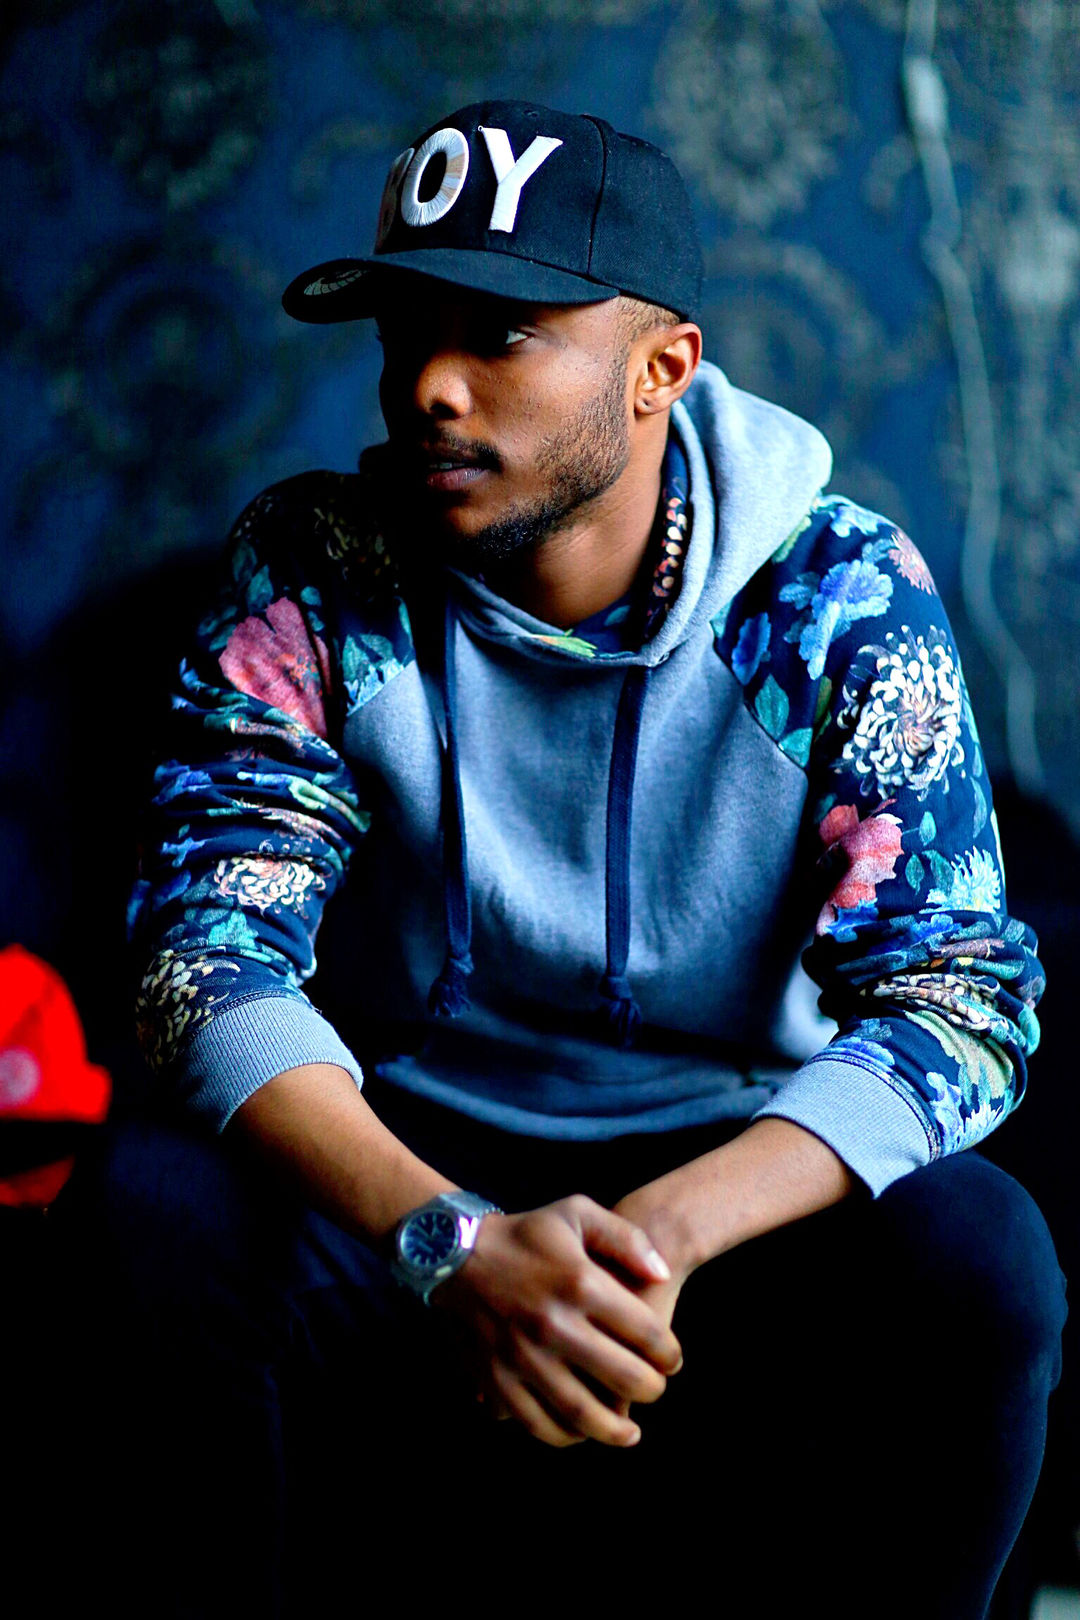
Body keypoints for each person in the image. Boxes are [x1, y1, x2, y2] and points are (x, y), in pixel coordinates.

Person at [75, 100, 1064, 1617]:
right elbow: (200, 959)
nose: (429, 386)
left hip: (725, 1193)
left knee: (983, 1257)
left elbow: (959, 1004)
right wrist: (453, 1242)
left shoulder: (837, 597)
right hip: (400, 1174)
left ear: (663, 366)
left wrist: (654, 1242)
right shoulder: (319, 568)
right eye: (406, 331)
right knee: (150, 1210)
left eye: (502, 334)